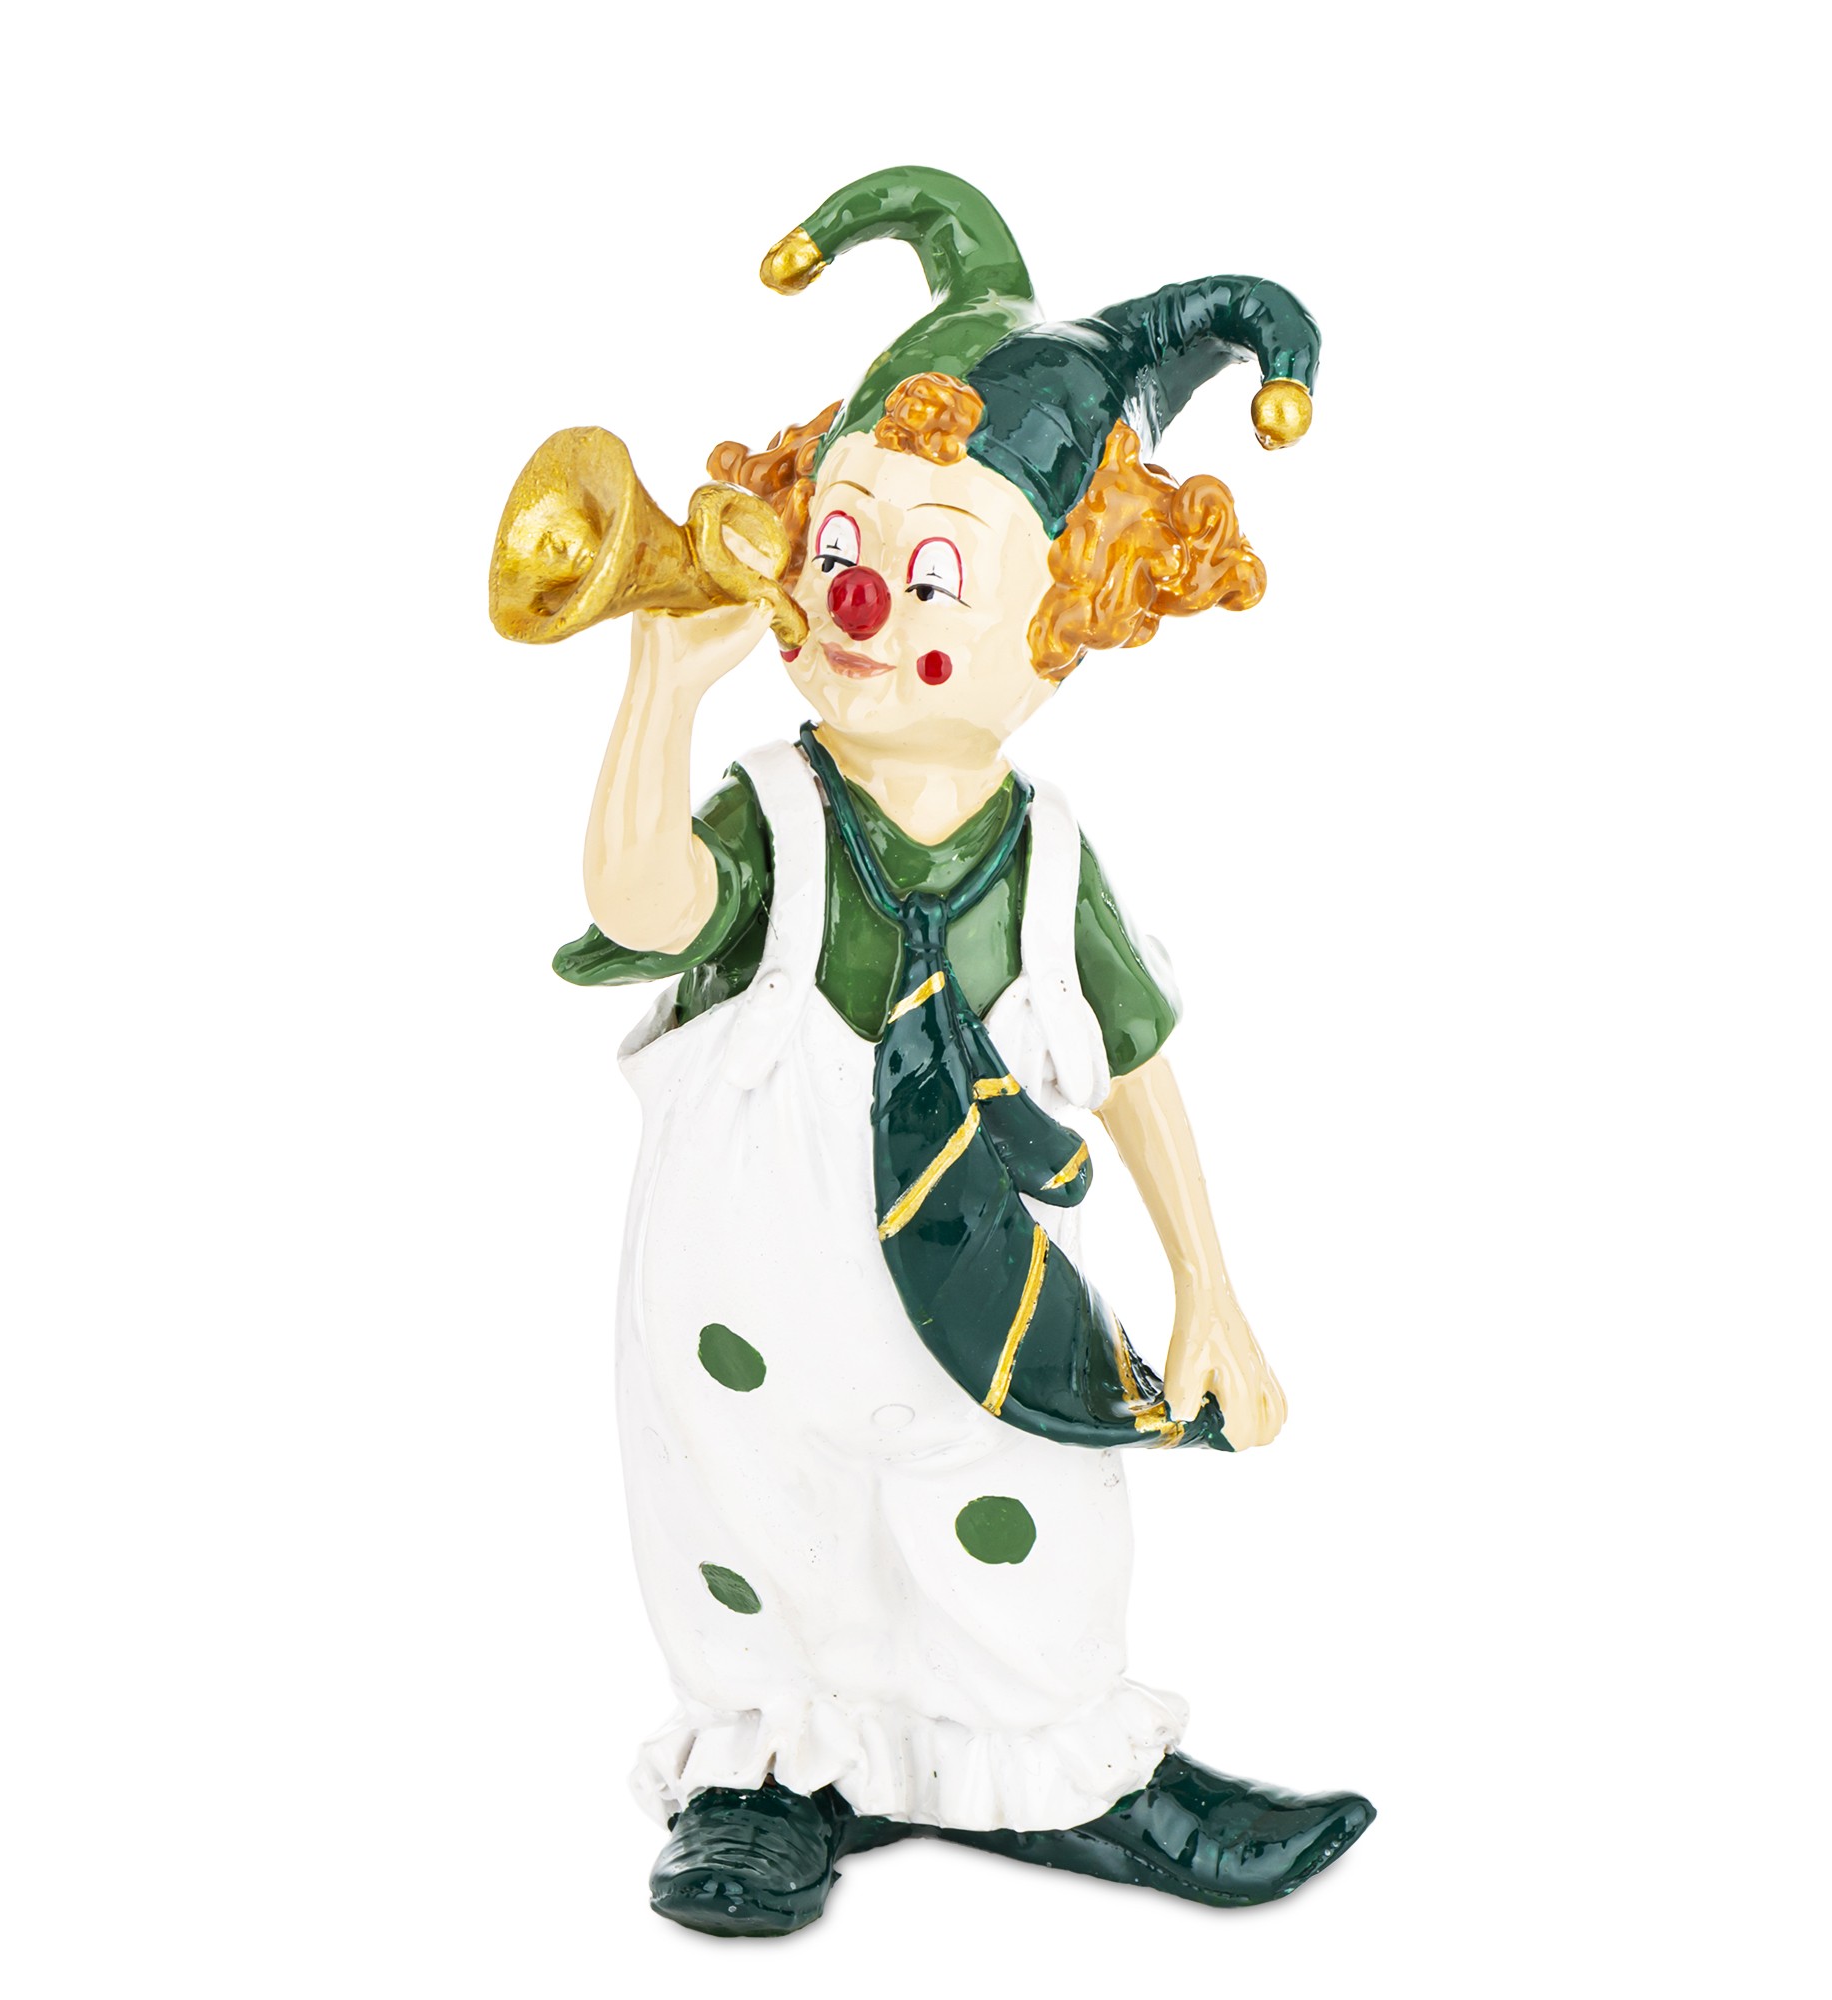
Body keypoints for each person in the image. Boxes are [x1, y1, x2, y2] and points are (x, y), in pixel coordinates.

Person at [553, 167, 1373, 1937]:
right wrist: (660, 688)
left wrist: (1210, 1294)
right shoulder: (775, 816)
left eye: (931, 574)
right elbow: (639, 899)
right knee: (756, 1522)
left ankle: (1061, 1768)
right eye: (841, 548)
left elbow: (1137, 1067)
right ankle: (768, 1773)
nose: (860, 606)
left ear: (1065, 617)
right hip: (742, 1314)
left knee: (1031, 1516)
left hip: (980, 1301)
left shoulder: (1049, 856)